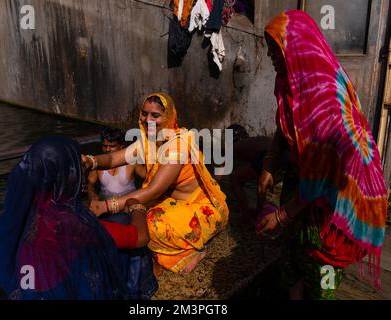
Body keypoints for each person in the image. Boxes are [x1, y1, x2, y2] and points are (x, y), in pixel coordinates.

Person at [256, 10, 388, 300]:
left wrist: (281, 215)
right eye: (269, 49)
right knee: (292, 258)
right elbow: (285, 124)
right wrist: (269, 164)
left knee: (320, 268)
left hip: (330, 198)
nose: (270, 56)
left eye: (276, 48)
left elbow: (322, 177)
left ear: (297, 46)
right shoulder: (290, 81)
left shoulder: (326, 98)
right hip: (301, 183)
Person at [0, 136, 157, 299]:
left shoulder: (27, 207)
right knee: (121, 223)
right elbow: (140, 237)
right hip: (57, 291)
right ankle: (137, 291)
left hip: (29, 288)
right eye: (74, 167)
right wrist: (136, 207)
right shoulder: (70, 221)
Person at [83, 93, 229, 274]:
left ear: (168, 117)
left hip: (198, 207)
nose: (147, 120)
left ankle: (195, 250)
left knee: (151, 226)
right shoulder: (148, 141)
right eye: (144, 113)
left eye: (155, 115)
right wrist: (91, 161)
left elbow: (153, 190)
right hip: (171, 202)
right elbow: (114, 158)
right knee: (134, 217)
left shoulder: (177, 146)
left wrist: (106, 205)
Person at [214, 124, 273, 224]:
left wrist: (211, 187)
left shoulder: (236, 146)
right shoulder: (253, 141)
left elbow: (218, 174)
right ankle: (259, 213)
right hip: (277, 156)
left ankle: (245, 216)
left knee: (235, 178)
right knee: (261, 181)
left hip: (266, 156)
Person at [88, 127, 146, 200]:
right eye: (105, 146)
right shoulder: (97, 163)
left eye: (112, 146)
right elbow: (90, 185)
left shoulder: (132, 162)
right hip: (105, 205)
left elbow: (148, 177)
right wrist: (92, 194)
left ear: (121, 146)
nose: (107, 149)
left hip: (127, 204)